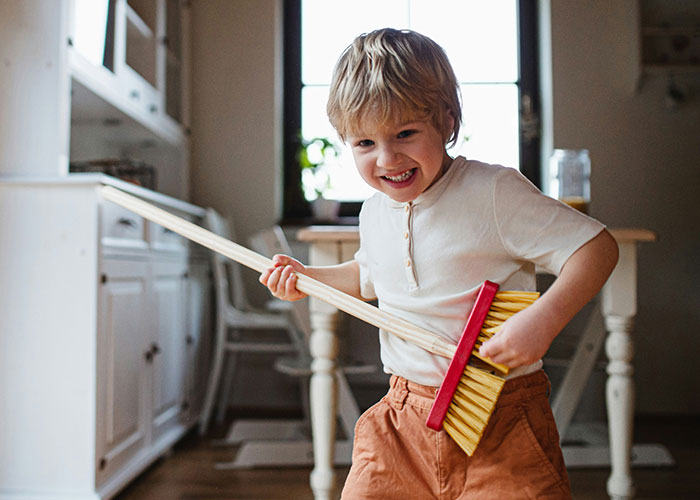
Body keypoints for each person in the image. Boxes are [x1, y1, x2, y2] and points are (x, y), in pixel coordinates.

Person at [260, 28, 619, 499]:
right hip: (403, 415)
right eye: (364, 143)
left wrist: (542, 320)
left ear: (447, 120)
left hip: (499, 417)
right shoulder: (374, 211)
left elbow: (597, 248)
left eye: (405, 133)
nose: (387, 158)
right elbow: (368, 277)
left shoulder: (493, 192)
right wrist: (307, 279)